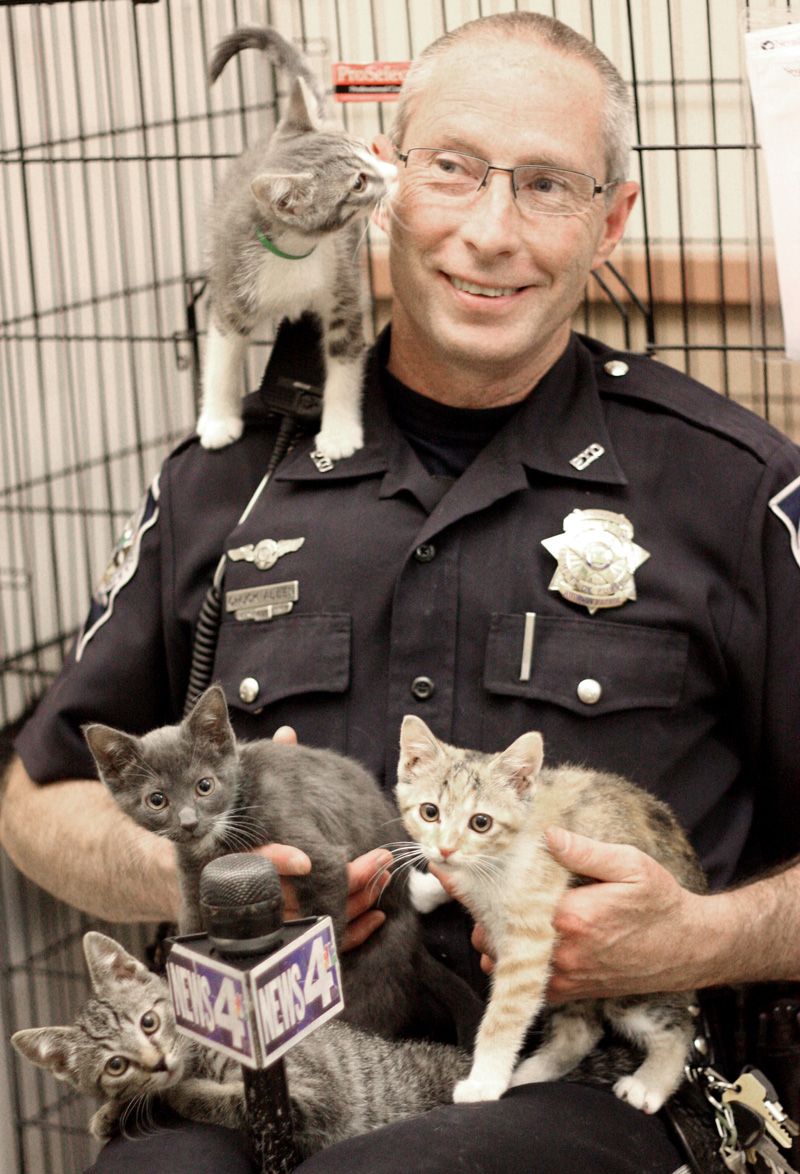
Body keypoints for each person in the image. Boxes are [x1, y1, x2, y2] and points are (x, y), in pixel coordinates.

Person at [2, 10, 800, 1173]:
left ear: (608, 220)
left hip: (587, 1084)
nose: (489, 231)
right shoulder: (229, 477)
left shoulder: (728, 488)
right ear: (382, 183)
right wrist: (200, 875)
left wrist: (696, 936)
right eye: (453, 170)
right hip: (277, 1047)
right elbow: (38, 797)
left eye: (543, 186)